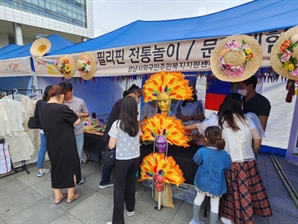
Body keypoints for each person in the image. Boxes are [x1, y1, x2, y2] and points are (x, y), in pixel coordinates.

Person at [185, 93, 272, 224]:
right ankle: (245, 213)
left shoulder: (218, 119)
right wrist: (254, 150)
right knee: (245, 190)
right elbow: (257, 138)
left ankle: (229, 216)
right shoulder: (247, 119)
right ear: (240, 105)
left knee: (232, 192)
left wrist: (181, 127)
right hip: (248, 161)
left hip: (231, 161)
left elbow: (199, 125)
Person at [40, 85, 81, 204]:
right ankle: (70, 196)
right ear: (61, 96)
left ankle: (58, 196)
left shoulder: (44, 109)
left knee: (56, 168)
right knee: (71, 168)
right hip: (66, 144)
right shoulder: (62, 109)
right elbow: (77, 121)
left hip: (52, 144)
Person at [106, 96, 142, 224]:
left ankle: (118, 221)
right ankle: (130, 209)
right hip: (135, 158)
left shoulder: (117, 124)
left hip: (122, 159)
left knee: (119, 188)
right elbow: (138, 140)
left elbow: (111, 146)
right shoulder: (137, 124)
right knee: (131, 182)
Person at [99, 84, 142, 189]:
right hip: (113, 135)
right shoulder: (125, 104)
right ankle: (118, 184)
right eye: (139, 96)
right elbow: (128, 122)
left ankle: (104, 181)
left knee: (109, 158)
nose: (139, 99)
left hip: (112, 134)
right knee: (112, 158)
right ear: (132, 94)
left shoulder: (121, 101)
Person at [190, 126, 231, 224]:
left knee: (198, 199)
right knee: (215, 205)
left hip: (202, 181)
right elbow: (228, 166)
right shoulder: (225, 154)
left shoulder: (202, 151)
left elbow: (196, 160)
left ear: (206, 138)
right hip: (216, 185)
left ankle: (194, 220)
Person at [59, 81, 89, 185]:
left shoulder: (80, 101)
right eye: (64, 93)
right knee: (66, 156)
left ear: (72, 90)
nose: (66, 95)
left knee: (78, 155)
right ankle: (68, 176)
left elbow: (87, 113)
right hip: (64, 133)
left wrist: (80, 114)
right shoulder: (60, 102)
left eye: (68, 93)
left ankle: (78, 177)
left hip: (78, 132)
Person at [34, 85, 52, 177]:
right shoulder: (52, 104)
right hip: (53, 130)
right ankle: (56, 168)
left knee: (42, 150)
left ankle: (40, 170)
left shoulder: (39, 103)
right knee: (53, 149)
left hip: (42, 130)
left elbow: (36, 115)